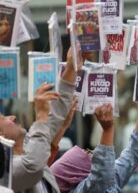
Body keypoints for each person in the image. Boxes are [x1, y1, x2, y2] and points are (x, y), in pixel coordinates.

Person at [0, 47, 80, 193]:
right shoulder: (5, 172)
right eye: (4, 118)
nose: (13, 116)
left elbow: (54, 116)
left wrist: (71, 68)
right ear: (2, 137)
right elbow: (32, 165)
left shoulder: (27, 146)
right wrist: (41, 115)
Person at [50, 93, 138, 192]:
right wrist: (107, 129)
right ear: (79, 174)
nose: (94, 151)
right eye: (88, 152)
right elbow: (101, 172)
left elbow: (133, 154)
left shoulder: (111, 181)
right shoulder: (84, 189)